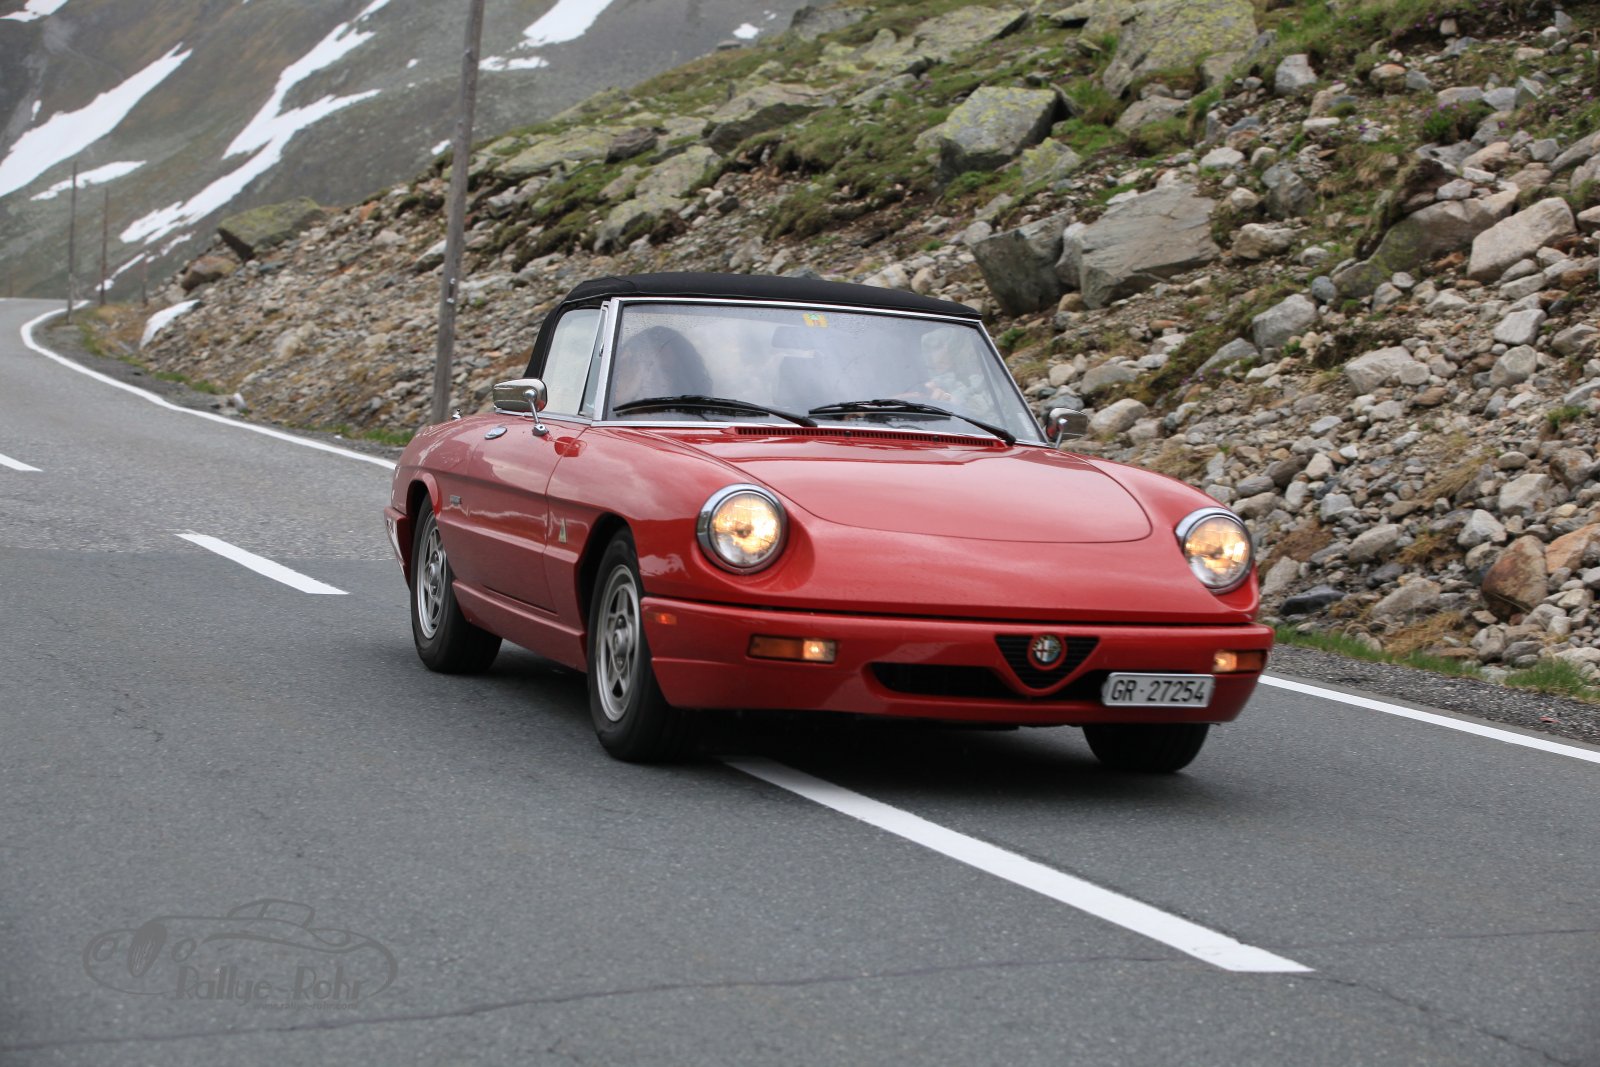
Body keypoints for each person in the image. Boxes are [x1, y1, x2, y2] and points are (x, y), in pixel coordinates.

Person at [609, 325, 711, 409]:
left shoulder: (697, 423)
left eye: (665, 371)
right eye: (645, 369)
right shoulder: (603, 414)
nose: (650, 378)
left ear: (681, 380)